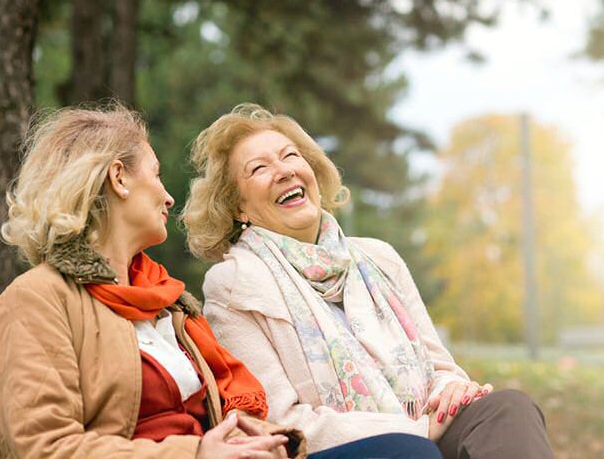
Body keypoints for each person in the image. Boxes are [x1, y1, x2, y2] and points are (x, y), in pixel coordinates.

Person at [181, 103, 555, 459]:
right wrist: (415, 430)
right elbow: (280, 419)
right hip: (339, 449)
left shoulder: (380, 257)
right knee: (411, 452)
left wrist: (450, 391)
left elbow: (440, 370)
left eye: (290, 156)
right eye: (259, 168)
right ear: (238, 207)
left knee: (508, 409)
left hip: (426, 432)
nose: (284, 171)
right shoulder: (234, 284)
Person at [0, 104, 306, 459]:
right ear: (119, 177)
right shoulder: (37, 299)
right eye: (156, 175)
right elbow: (46, 448)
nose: (169, 196)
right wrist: (196, 454)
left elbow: (220, 419)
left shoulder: (168, 303)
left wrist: (270, 442)